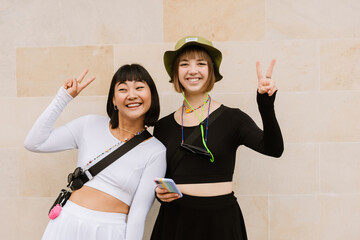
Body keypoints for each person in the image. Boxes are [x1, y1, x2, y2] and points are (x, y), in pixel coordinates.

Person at [150, 36, 284, 240]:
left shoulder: (233, 118)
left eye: (201, 63)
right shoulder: (162, 126)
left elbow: (274, 149)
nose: (192, 70)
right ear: (176, 72)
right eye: (184, 64)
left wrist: (266, 104)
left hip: (221, 222)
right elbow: (161, 180)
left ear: (211, 71)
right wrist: (160, 194)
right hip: (176, 222)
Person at [24, 64, 166, 240]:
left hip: (109, 231)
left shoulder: (156, 151)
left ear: (151, 95)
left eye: (139, 87)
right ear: (114, 100)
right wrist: (63, 98)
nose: (132, 95)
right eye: (123, 89)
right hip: (65, 223)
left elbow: (138, 213)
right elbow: (34, 143)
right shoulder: (89, 125)